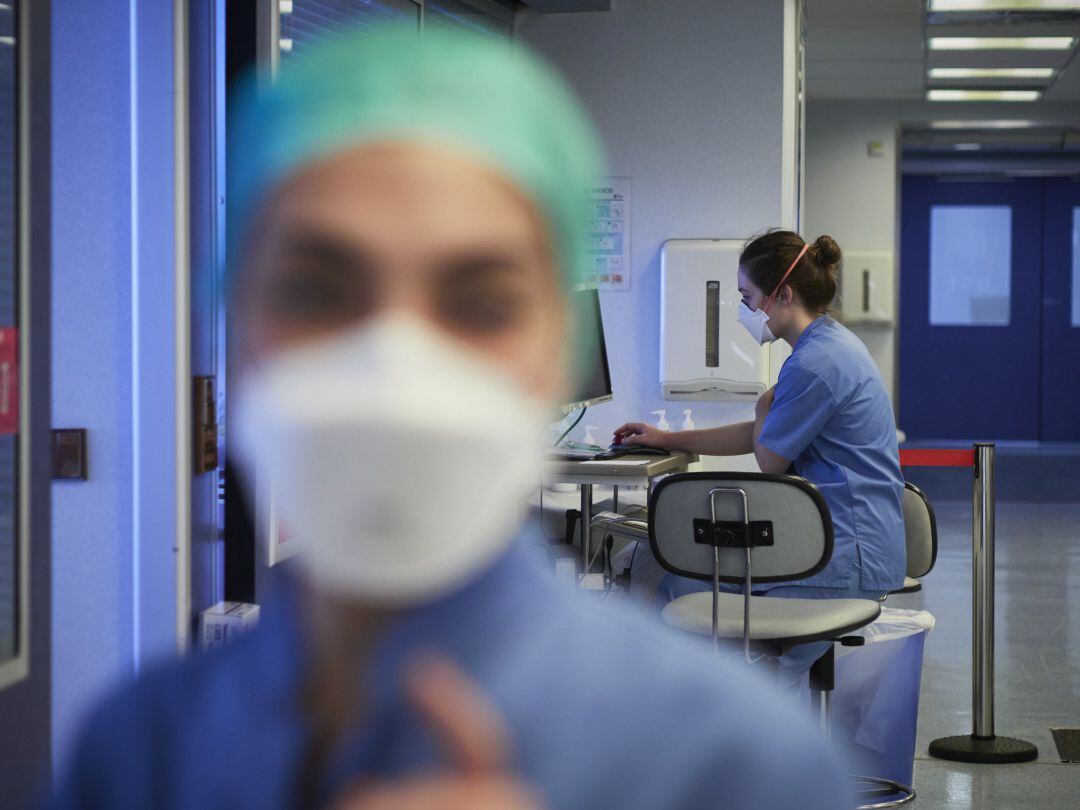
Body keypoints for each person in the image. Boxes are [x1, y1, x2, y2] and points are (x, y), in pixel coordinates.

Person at [50, 29, 852, 809]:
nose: (397, 369)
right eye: (314, 292)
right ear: (233, 325)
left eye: (480, 302)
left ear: (553, 348)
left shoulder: (739, 767)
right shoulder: (135, 753)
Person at [615, 230, 906, 684]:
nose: (745, 310)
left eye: (748, 297)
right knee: (677, 570)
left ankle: (704, 706)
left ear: (783, 294)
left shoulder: (816, 364)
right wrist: (669, 437)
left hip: (845, 558)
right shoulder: (826, 346)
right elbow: (765, 435)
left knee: (674, 577)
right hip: (847, 544)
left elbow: (769, 458)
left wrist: (761, 406)